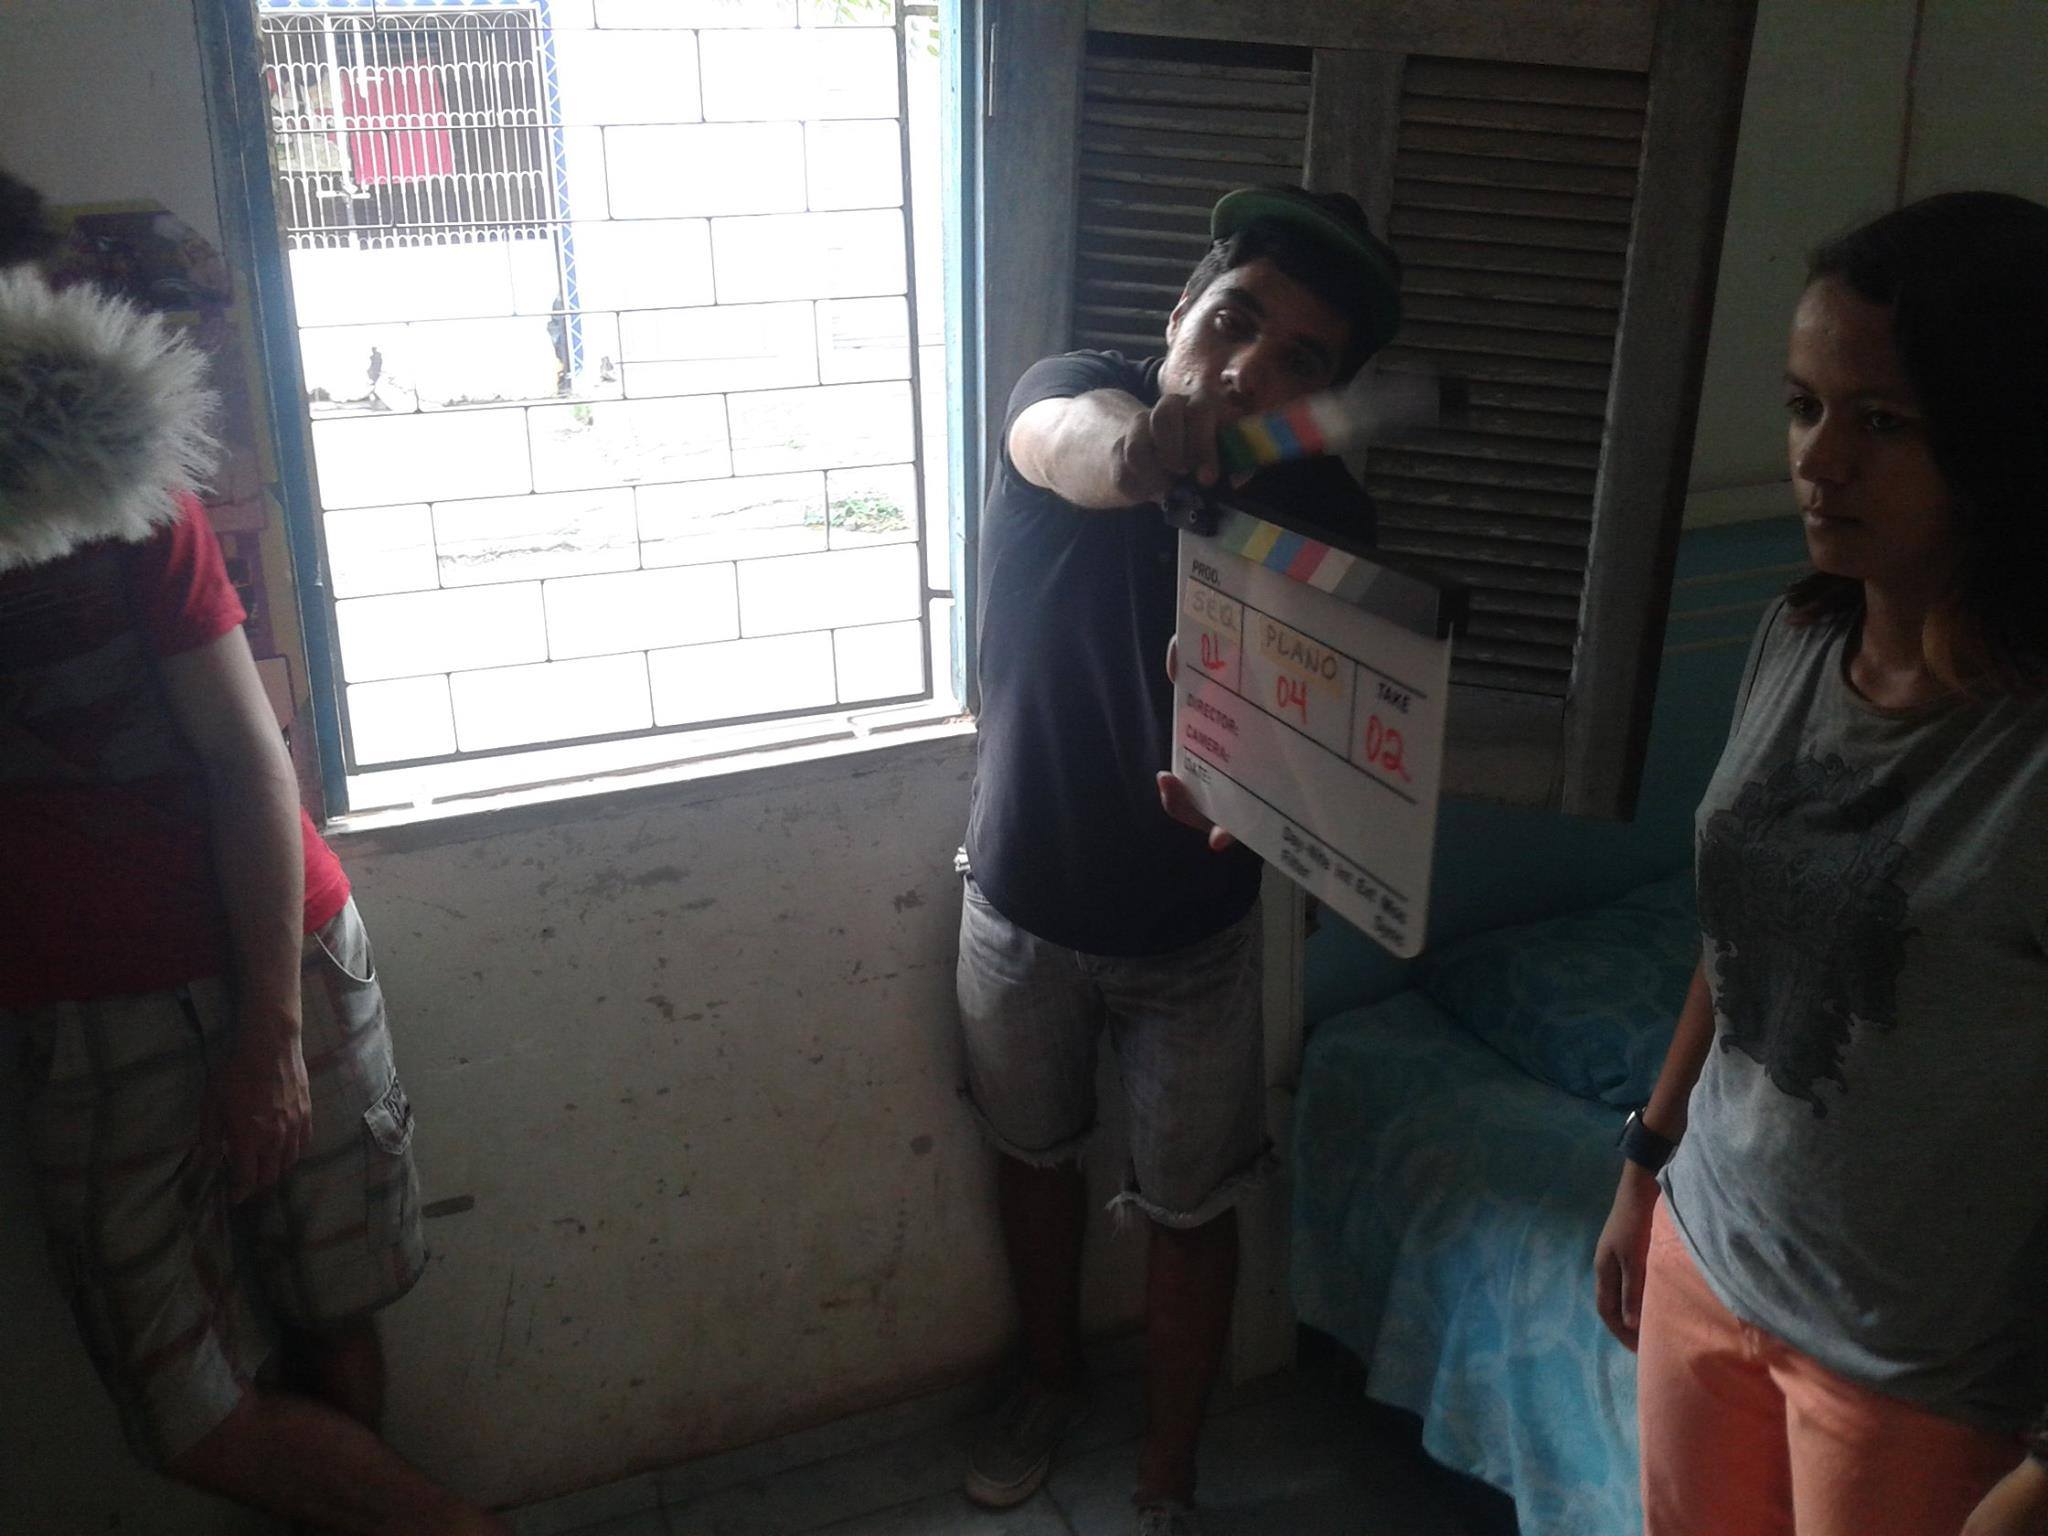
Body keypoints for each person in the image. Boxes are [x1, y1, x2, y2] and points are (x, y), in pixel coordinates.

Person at [0, 171, 507, 1535]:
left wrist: (268, 1038)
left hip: (271, 947)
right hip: (79, 1005)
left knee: (328, 1301)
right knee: (181, 1400)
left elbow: (247, 761)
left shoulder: (123, 492)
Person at [1592, 190, 2048, 1536]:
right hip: (1709, 1250)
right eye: (1803, 408)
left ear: (2003, 440)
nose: (1819, 461)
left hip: (1912, 1369)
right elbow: (1740, 934)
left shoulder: (2024, 752)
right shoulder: (1796, 639)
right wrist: (1646, 1160)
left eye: (1882, 422)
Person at [955, 184, 1403, 1535]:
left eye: (1299, 359)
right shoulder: (1071, 392)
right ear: (1178, 312)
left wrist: (1273, 801)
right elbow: (1067, 445)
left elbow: (1321, 738)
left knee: (1193, 1209)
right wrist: (1140, 454)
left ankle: (1167, 1480)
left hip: (1199, 936)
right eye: (1233, 320)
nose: (1248, 366)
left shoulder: (1325, 513)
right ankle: (1047, 1382)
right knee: (1031, 1157)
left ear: (1327, 397)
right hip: (1019, 902)